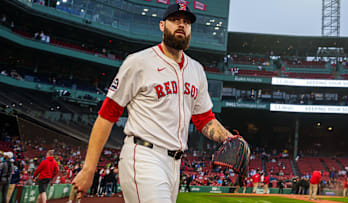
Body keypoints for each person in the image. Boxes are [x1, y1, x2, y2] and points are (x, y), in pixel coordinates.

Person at [71, 3, 243, 203]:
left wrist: (228, 138)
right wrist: (88, 169)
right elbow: (107, 115)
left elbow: (203, 119)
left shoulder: (196, 70)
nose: (181, 25)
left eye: (186, 22)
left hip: (175, 165)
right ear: (162, 25)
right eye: (175, 20)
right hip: (144, 156)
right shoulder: (138, 62)